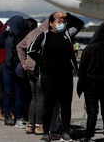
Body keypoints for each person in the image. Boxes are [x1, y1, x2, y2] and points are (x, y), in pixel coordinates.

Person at [28, 12, 84, 142]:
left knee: (66, 105)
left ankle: (65, 131)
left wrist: (67, 15)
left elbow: (79, 24)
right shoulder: (44, 36)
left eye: (64, 22)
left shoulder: (67, 35)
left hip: (65, 75)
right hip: (49, 76)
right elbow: (31, 50)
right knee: (49, 104)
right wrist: (44, 63)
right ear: (51, 23)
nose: (62, 24)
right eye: (59, 22)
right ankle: (46, 132)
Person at [77, 22, 104, 142]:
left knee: (92, 112)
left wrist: (82, 85)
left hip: (90, 85)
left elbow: (81, 70)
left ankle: (89, 136)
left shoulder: (88, 49)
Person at [17, 20, 49, 135]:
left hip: (29, 69)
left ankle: (30, 125)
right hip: (38, 69)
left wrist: (23, 62)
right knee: (40, 98)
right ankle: (39, 125)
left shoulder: (31, 33)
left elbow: (19, 46)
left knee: (34, 98)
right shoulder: (45, 34)